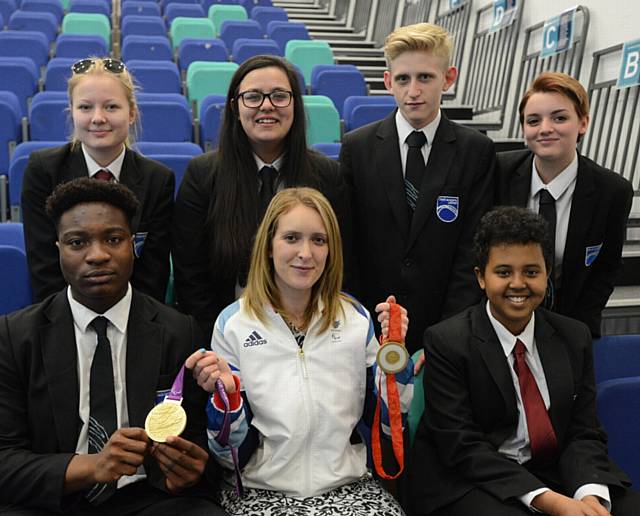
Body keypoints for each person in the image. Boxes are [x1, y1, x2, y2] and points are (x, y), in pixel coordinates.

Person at [0, 179, 225, 515]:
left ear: (132, 244)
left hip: (146, 499)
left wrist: (189, 471)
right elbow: (5, 458)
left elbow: (195, 445)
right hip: (54, 497)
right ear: (57, 248)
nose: (98, 255)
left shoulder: (178, 330)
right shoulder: (16, 336)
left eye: (113, 239)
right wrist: (92, 467)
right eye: (78, 242)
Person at [186, 187, 413, 515]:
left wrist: (396, 361)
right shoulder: (233, 324)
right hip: (260, 492)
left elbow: (390, 428)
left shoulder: (356, 319)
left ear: (331, 249)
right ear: (268, 246)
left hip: (349, 488)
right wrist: (228, 403)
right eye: (291, 238)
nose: (306, 253)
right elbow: (227, 455)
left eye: (318, 240)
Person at [407, 206, 639, 516]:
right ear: (480, 277)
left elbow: (583, 432)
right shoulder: (447, 341)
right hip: (469, 479)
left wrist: (589, 495)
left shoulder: (573, 336)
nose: (518, 284)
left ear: (547, 274)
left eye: (531, 272)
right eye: (503, 272)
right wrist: (553, 502)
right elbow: (462, 447)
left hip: (552, 470)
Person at [339, 22, 496, 355]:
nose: (413, 91)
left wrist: (447, 333)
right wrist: (362, 325)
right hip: (369, 326)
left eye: (425, 77)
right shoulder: (358, 147)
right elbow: (348, 245)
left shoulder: (475, 151)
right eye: (403, 79)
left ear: (448, 78)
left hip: (447, 327)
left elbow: (473, 248)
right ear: (387, 82)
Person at [172, 55, 352, 340]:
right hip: (226, 337)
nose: (267, 105)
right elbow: (190, 275)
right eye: (253, 97)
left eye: (279, 96)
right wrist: (220, 340)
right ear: (235, 107)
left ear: (295, 105)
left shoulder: (327, 177)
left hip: (312, 336)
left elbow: (340, 266)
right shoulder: (203, 175)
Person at [22, 57, 174, 304]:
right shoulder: (43, 171)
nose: (98, 118)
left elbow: (153, 275)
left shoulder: (157, 179)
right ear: (71, 111)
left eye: (111, 107)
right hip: (63, 316)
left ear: (132, 113)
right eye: (85, 107)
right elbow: (44, 269)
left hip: (134, 317)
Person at [496, 72, 633, 337]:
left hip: (570, 322)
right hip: (499, 321)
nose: (545, 128)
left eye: (559, 118)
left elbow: (606, 269)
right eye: (533, 121)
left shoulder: (612, 190)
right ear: (524, 128)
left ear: (583, 123)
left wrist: (577, 332)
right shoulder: (498, 173)